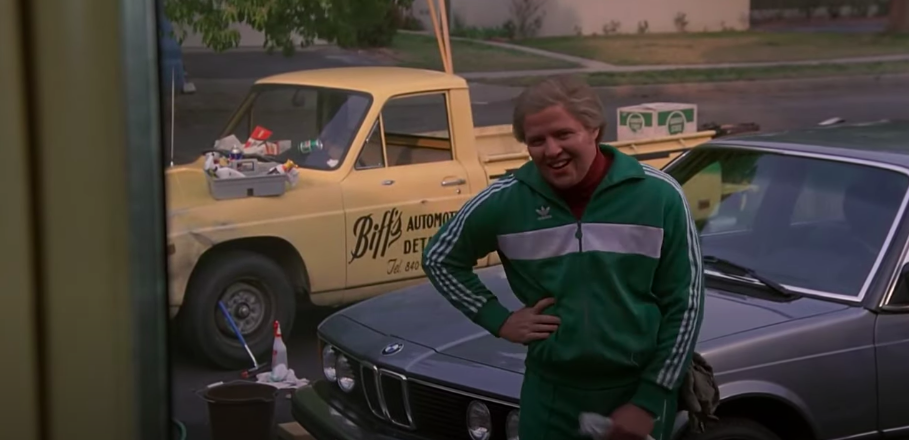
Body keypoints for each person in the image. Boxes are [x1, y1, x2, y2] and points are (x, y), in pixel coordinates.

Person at [421, 74, 705, 440]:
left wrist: (650, 399)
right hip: (551, 395)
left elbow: (686, 304)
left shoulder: (659, 196)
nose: (551, 150)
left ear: (594, 130)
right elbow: (439, 258)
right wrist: (499, 319)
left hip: (637, 393)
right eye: (536, 141)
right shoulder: (506, 200)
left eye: (563, 134)